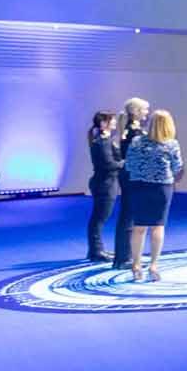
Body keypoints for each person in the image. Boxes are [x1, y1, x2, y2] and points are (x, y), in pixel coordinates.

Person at [123, 109, 183, 282]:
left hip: (139, 187)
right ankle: (154, 265)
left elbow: (129, 165)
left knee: (139, 227)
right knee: (158, 226)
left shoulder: (136, 141)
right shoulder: (171, 144)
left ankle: (136, 265)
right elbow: (177, 167)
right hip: (161, 188)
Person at [111, 97, 150, 271]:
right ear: (136, 112)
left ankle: (124, 256)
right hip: (131, 176)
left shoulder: (131, 130)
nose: (147, 113)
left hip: (129, 175)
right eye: (145, 110)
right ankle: (122, 258)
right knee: (128, 217)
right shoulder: (134, 132)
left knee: (129, 216)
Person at [85, 110, 120, 261]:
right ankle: (96, 251)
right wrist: (124, 163)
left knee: (99, 218)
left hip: (105, 182)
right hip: (104, 184)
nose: (115, 122)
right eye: (112, 120)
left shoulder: (105, 140)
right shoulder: (101, 142)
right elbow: (109, 164)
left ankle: (96, 250)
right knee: (99, 219)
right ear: (103, 123)